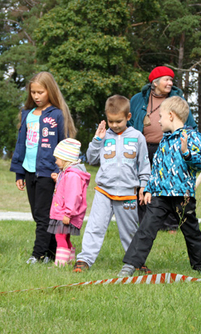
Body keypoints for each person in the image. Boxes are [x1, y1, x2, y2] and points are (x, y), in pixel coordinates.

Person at [117, 96, 201, 278]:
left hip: (182, 195)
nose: (158, 121)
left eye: (160, 116)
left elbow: (200, 163)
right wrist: (148, 189)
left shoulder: (191, 136)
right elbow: (157, 169)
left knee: (191, 231)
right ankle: (130, 264)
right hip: (160, 196)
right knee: (146, 228)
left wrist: (186, 152)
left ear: (171, 116)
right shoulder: (164, 141)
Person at [73, 95, 150, 272]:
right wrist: (97, 140)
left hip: (128, 192)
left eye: (119, 121)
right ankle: (84, 260)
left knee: (130, 231)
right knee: (95, 226)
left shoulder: (138, 137)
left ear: (128, 117)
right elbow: (91, 159)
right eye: (111, 121)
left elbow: (144, 164)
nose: (114, 125)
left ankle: (135, 262)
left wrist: (143, 185)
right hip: (104, 191)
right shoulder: (103, 136)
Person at [10, 71, 77, 264]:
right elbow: (21, 144)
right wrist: (19, 173)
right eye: (33, 92)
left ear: (50, 91)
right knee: (38, 214)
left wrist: (60, 171)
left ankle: (37, 255)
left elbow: (64, 143)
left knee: (43, 215)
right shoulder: (27, 115)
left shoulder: (57, 114)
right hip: (29, 171)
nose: (36, 96)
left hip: (49, 172)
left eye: (40, 92)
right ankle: (52, 253)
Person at [129, 66, 198, 232]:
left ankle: (171, 225)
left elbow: (191, 125)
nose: (170, 83)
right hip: (143, 148)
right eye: (167, 79)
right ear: (155, 82)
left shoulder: (177, 100)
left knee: (169, 185)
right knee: (143, 184)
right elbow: (130, 123)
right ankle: (145, 223)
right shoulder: (138, 99)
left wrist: (187, 144)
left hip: (169, 149)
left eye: (171, 80)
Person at [47, 139, 91, 267]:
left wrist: (68, 213)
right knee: (65, 237)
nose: (56, 162)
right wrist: (58, 179)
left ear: (66, 159)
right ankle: (69, 260)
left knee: (60, 237)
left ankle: (60, 264)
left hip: (65, 213)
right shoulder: (67, 173)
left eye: (58, 159)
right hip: (63, 212)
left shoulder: (72, 175)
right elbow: (64, 190)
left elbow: (73, 196)